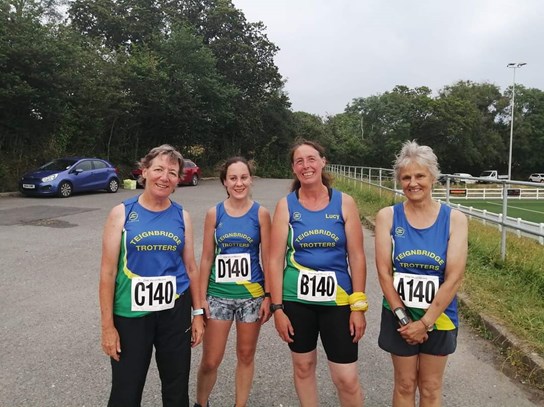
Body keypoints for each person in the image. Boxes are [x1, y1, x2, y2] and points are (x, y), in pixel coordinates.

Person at [99, 144, 205, 407]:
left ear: (178, 179)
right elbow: (108, 271)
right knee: (126, 389)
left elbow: (191, 268)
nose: (164, 177)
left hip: (174, 311)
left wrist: (198, 313)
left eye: (171, 172)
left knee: (176, 386)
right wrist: (107, 326)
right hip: (131, 313)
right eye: (158, 169)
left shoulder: (182, 215)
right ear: (144, 171)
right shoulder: (122, 213)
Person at [269, 139, 368, 407]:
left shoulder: (344, 203)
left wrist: (358, 306)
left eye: (311, 159)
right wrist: (277, 308)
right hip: (296, 300)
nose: (306, 165)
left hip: (338, 301)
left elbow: (357, 256)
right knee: (303, 368)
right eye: (299, 161)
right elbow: (275, 259)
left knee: (346, 377)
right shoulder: (286, 206)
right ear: (293, 168)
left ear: (323, 162)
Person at [375, 140, 468, 407]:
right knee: (404, 385)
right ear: (399, 181)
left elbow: (454, 277)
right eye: (406, 177)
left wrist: (425, 323)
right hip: (398, 315)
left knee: (430, 388)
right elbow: (384, 272)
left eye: (419, 176)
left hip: (439, 317)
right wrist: (405, 321)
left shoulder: (455, 220)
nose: (412, 183)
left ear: (433, 177)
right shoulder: (387, 217)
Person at [195, 157, 271, 407]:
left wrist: (269, 296)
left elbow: (268, 258)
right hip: (218, 295)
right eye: (233, 178)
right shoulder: (214, 213)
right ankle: (201, 403)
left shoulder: (261, 214)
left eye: (243, 177)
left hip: (251, 297)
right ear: (224, 182)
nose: (239, 183)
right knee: (210, 360)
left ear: (251, 179)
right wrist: (201, 299)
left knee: (246, 355)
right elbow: (206, 258)